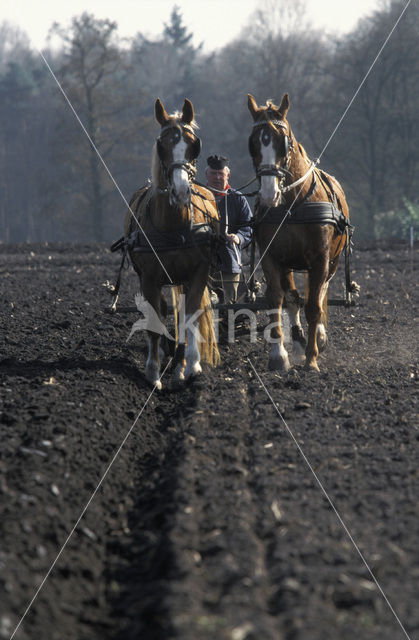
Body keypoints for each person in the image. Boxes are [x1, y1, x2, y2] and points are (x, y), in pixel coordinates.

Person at [206, 155, 252, 303]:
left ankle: (229, 320)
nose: (217, 177)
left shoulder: (237, 198)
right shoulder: (197, 196)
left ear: (228, 175)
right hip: (200, 259)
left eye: (221, 173)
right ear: (207, 174)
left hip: (229, 258)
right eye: (213, 173)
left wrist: (239, 237)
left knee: (230, 304)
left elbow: (248, 226)